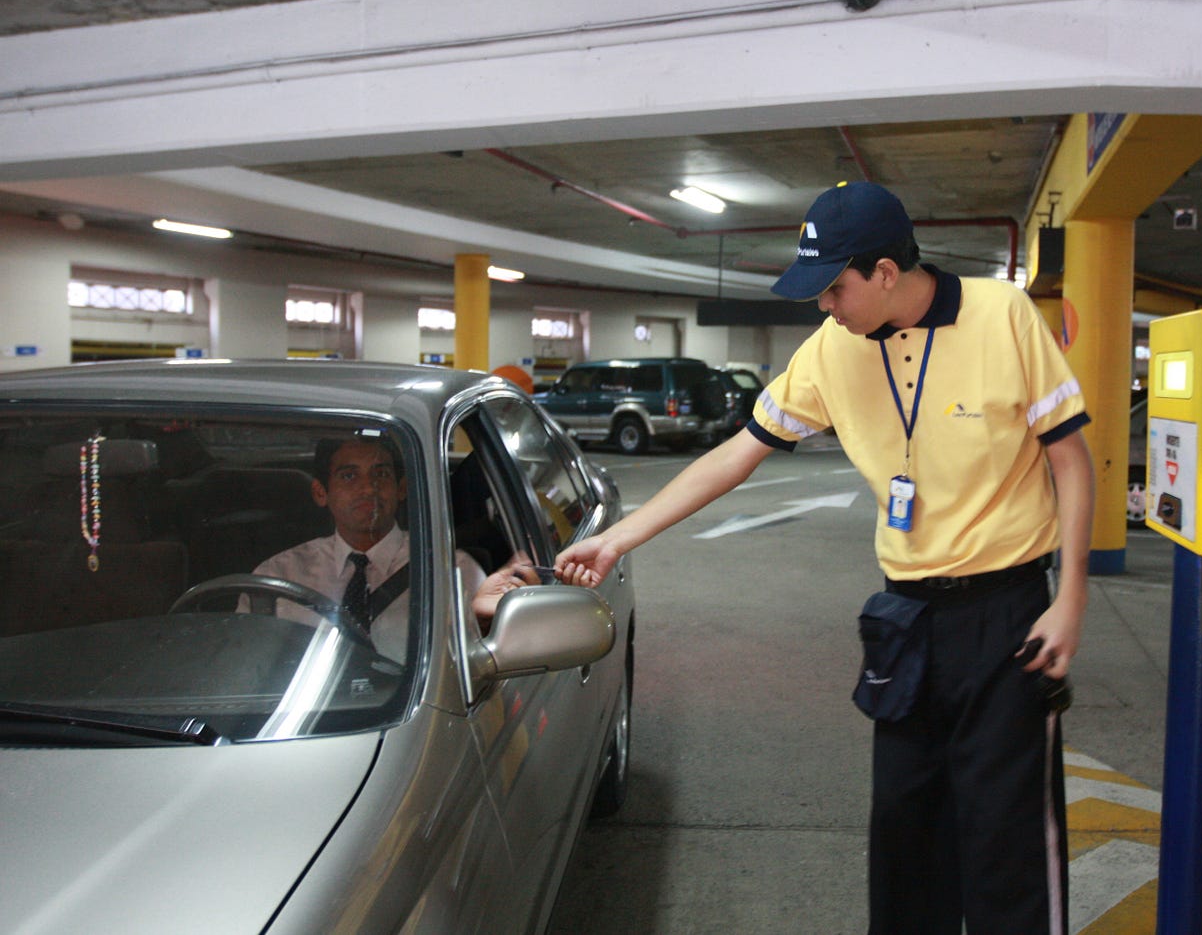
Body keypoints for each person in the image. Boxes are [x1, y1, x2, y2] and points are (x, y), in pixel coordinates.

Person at [556, 181, 1094, 934]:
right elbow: (736, 455)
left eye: (835, 287)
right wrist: (621, 535)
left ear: (884, 271)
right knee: (904, 840)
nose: (824, 306)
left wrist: (1070, 598)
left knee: (1007, 849)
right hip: (905, 618)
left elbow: (1071, 459)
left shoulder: (1002, 316)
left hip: (1006, 617)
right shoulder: (830, 352)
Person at [247, 435, 569, 661]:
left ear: (401, 489)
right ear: (321, 492)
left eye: (381, 474)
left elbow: (480, 666)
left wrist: (482, 622)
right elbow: (250, 668)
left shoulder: (452, 570)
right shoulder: (276, 577)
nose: (368, 488)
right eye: (348, 476)